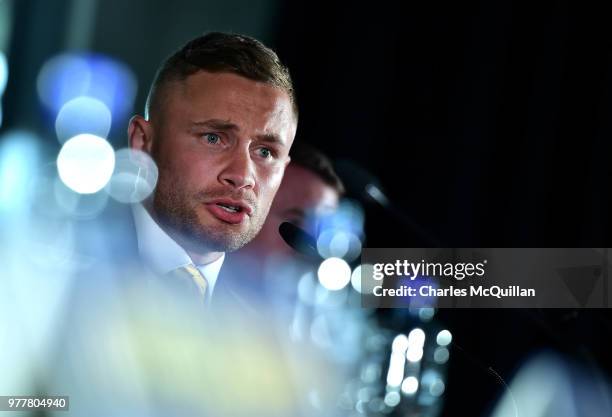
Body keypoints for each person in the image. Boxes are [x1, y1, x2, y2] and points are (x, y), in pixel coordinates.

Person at [125, 32, 298, 302]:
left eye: (265, 152)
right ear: (142, 141)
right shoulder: (59, 256)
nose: (242, 176)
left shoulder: (267, 331)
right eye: (214, 138)